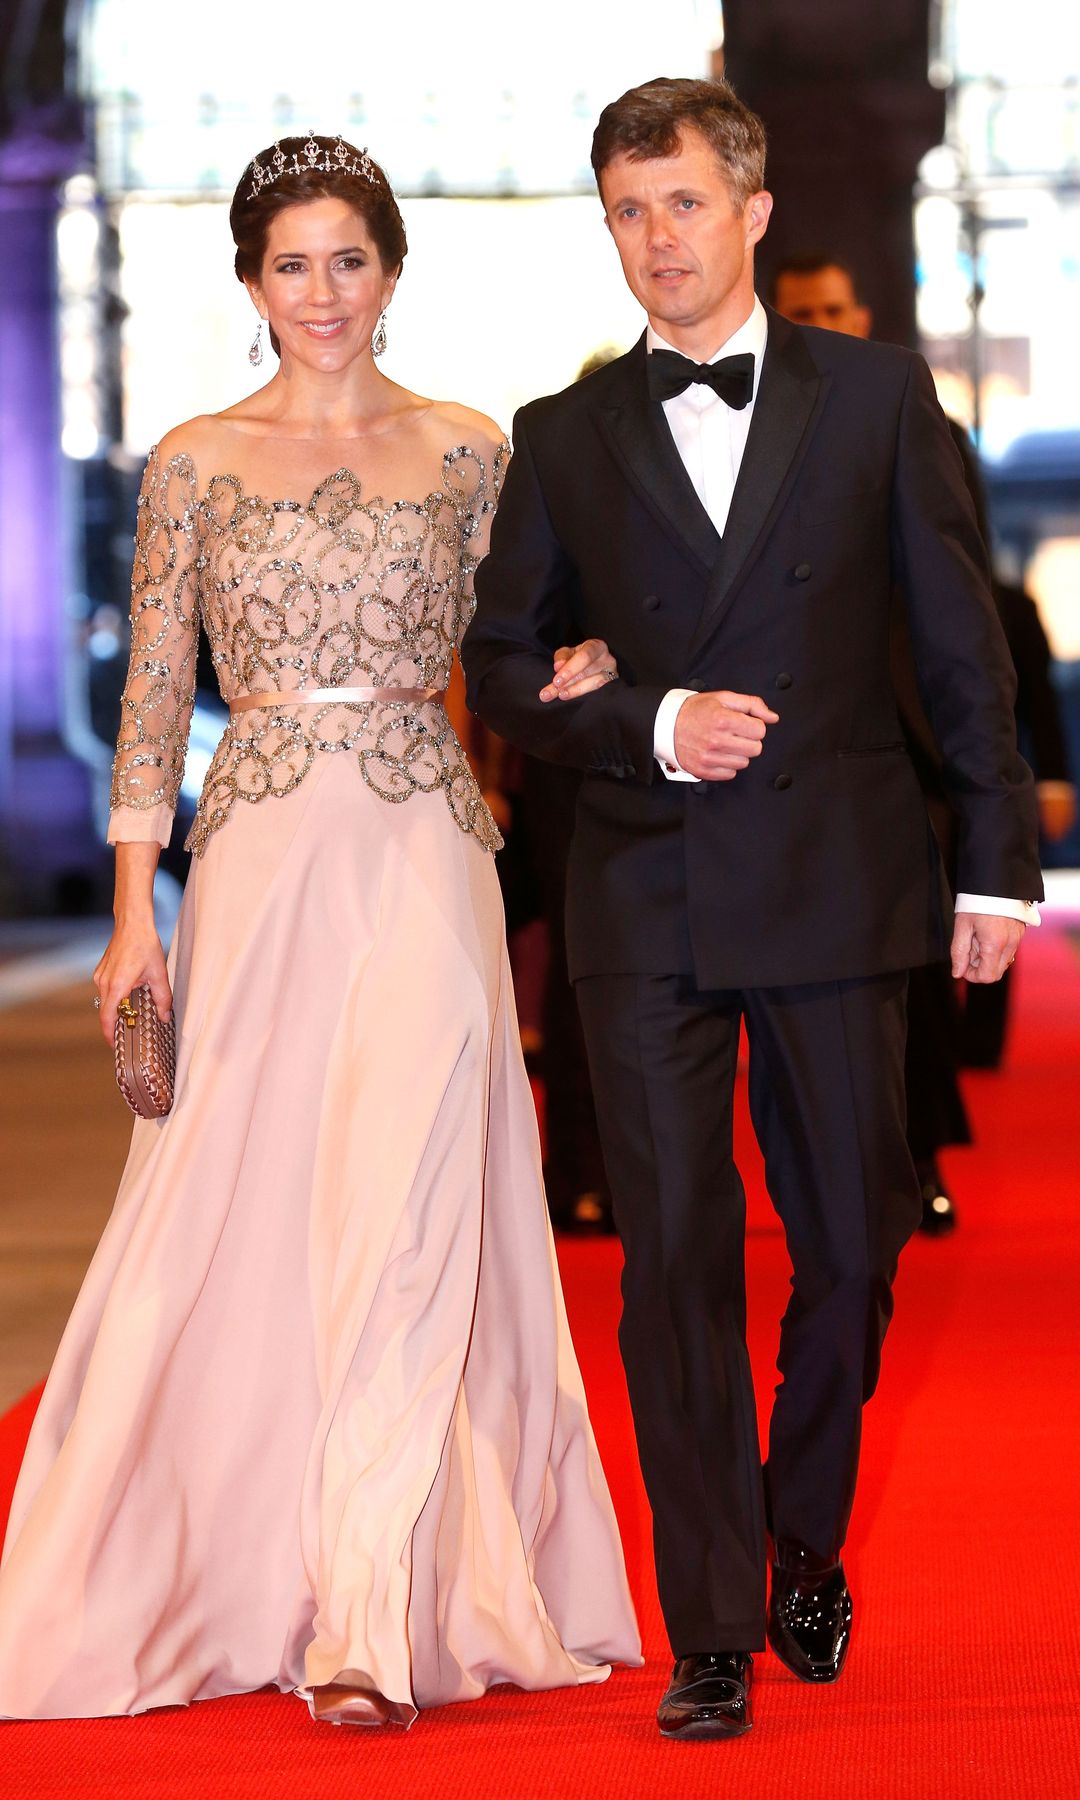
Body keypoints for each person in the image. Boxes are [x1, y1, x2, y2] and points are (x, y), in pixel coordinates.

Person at [0, 134, 640, 1726]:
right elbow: (151, 697)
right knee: (250, 1199)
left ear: (392, 269)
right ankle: (243, 1559)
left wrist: (591, 667)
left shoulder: (471, 451)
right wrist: (135, 912)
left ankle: (369, 1607)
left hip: (427, 847)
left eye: (349, 259)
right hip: (264, 856)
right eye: (293, 264)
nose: (324, 291)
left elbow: (527, 641)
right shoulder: (196, 462)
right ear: (250, 285)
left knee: (412, 1191)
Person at [461, 78, 1043, 1742]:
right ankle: (710, 1619)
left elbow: (958, 650)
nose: (659, 241)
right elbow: (505, 662)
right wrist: (638, 715)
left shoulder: (873, 400)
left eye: (686, 205)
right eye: (631, 212)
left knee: (853, 1253)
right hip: (642, 893)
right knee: (676, 1269)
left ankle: (802, 1528)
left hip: (839, 881)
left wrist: (996, 863)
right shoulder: (561, 434)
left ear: (757, 212)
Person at [770, 251, 974, 1235]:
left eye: (834, 307)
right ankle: (834, 1171)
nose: (820, 321)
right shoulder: (744, 432)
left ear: (864, 312)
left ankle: (919, 1156)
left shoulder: (923, 420)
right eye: (801, 310)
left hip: (904, 737)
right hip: (785, 740)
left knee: (916, 970)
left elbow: (964, 605)